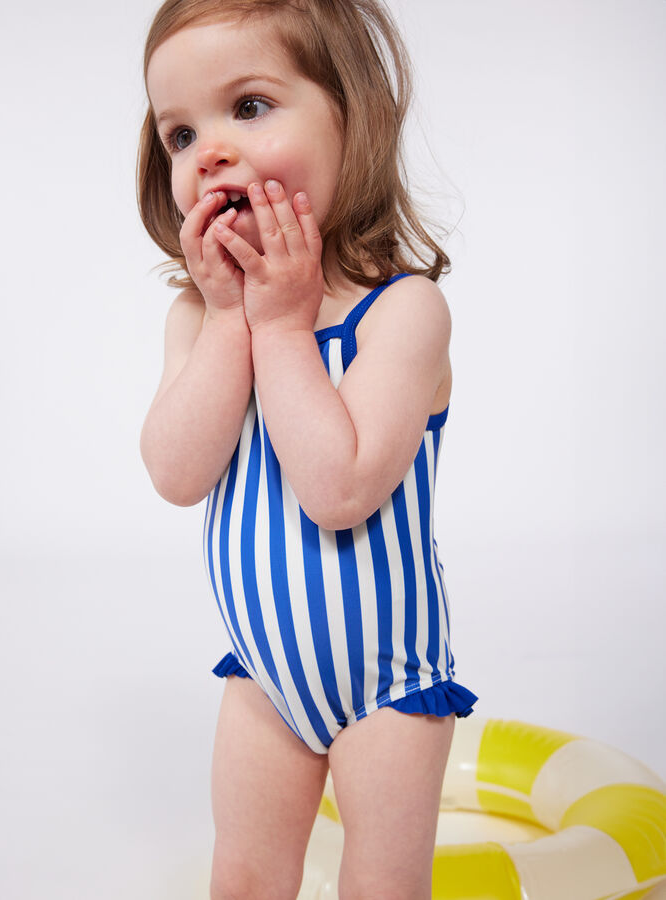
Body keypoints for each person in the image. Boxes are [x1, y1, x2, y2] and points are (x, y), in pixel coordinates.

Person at [137, 1, 479, 897]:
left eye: (247, 107)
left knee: (378, 884)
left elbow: (339, 489)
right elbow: (176, 475)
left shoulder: (400, 313)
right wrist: (227, 322)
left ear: (350, 120)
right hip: (264, 678)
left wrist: (282, 327)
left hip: (387, 685)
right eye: (178, 133)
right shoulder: (200, 318)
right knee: (243, 877)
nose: (206, 148)